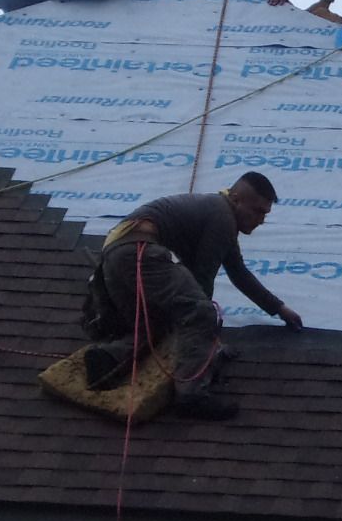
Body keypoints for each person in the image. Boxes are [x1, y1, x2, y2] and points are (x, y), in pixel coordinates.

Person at [82, 172, 304, 421]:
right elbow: (202, 281)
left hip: (114, 256)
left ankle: (106, 358)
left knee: (157, 326)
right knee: (200, 312)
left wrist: (279, 308)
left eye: (265, 214)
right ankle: (191, 395)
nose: (261, 220)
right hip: (139, 251)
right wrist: (210, 339)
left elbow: (238, 273)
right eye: (257, 211)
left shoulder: (218, 214)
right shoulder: (222, 216)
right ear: (236, 199)